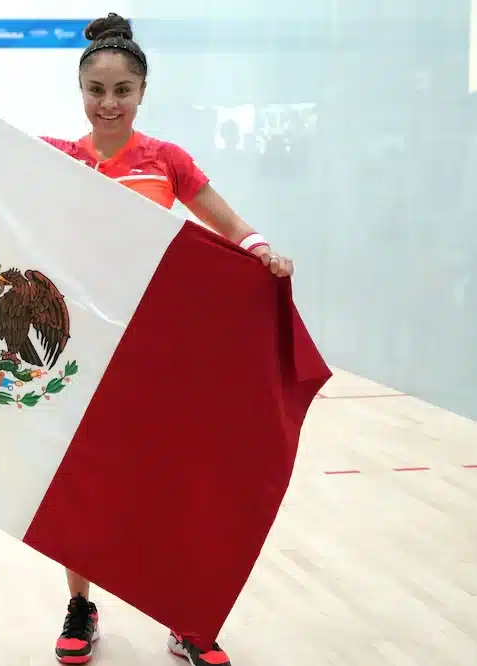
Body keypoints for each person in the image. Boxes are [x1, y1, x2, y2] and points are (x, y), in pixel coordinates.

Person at [39, 13, 294, 666]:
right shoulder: (59, 162)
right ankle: (80, 606)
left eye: (122, 90)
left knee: (172, 484)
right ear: (80, 91)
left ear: (143, 92)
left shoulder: (167, 161)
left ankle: (187, 618)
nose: (109, 103)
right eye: (96, 90)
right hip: (85, 355)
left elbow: (228, 222)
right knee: (82, 485)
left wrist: (261, 251)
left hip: (159, 356)